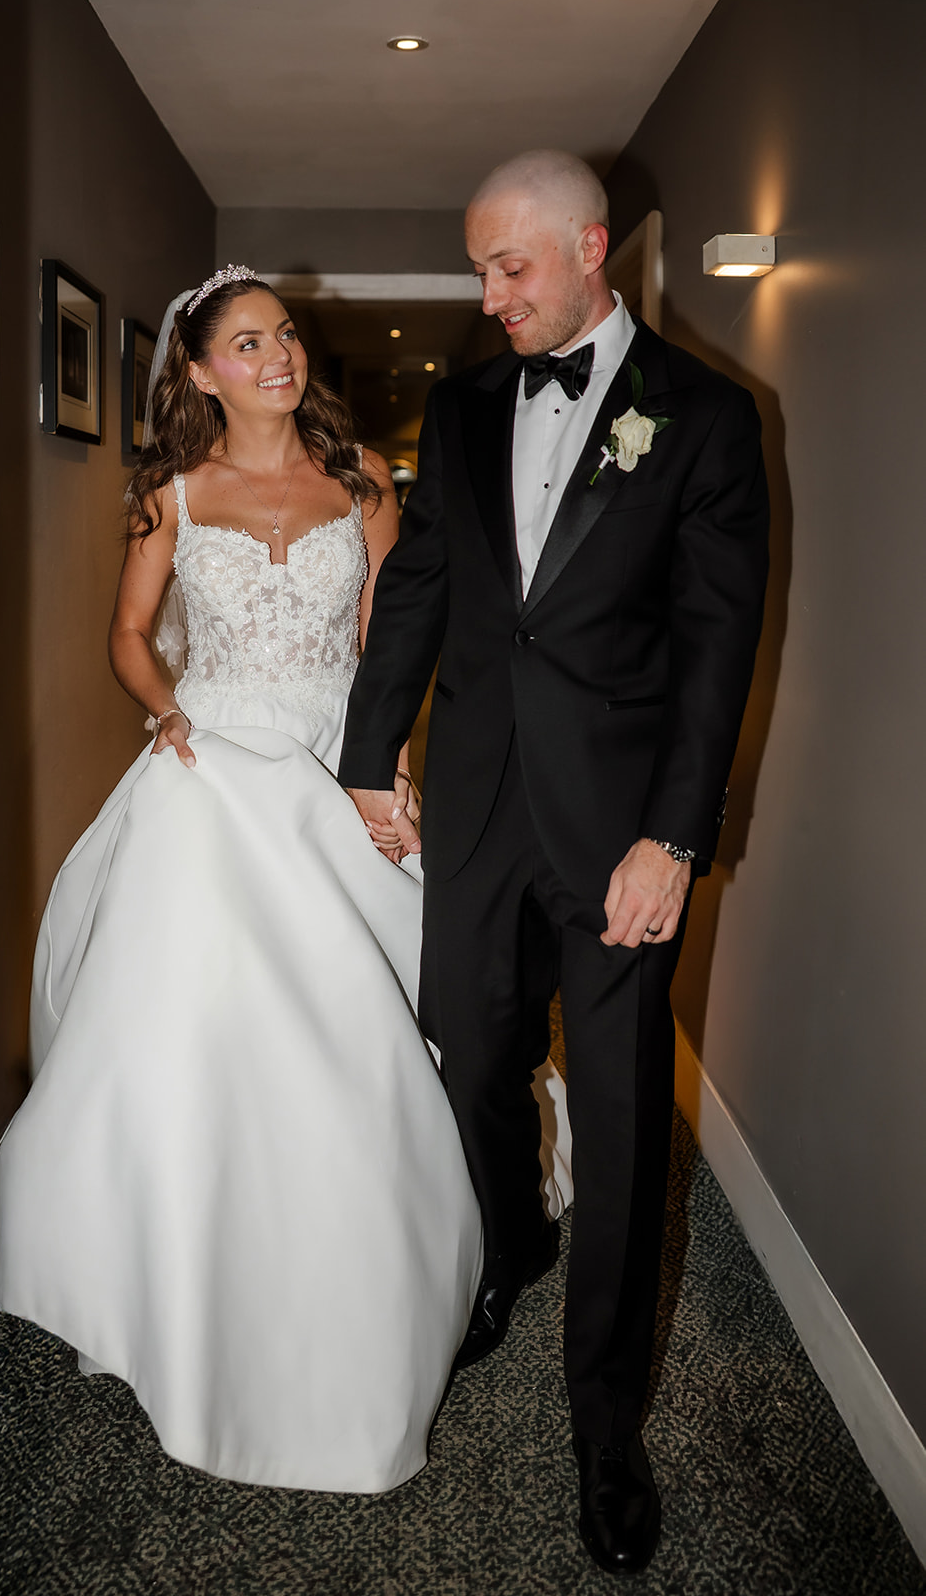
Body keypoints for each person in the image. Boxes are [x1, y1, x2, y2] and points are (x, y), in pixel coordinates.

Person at [0, 268, 506, 1494]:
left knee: (363, 1021)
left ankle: (353, 1258)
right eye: (245, 341)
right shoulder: (165, 492)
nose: (275, 355)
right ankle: (182, 1259)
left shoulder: (362, 484)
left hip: (335, 760)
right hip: (210, 768)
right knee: (195, 1021)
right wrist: (167, 712)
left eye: (283, 335)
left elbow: (394, 638)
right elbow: (127, 634)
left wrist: (387, 768)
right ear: (200, 370)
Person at [339, 151, 769, 1570]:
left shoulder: (704, 418)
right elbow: (421, 587)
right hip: (468, 808)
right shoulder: (460, 402)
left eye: (508, 266)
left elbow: (714, 648)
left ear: (589, 248)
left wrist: (675, 837)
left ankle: (603, 1425)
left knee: (628, 1111)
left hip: (617, 835)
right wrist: (362, 752)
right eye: (476, 268)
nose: (488, 295)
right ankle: (510, 1245)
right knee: (463, 1042)